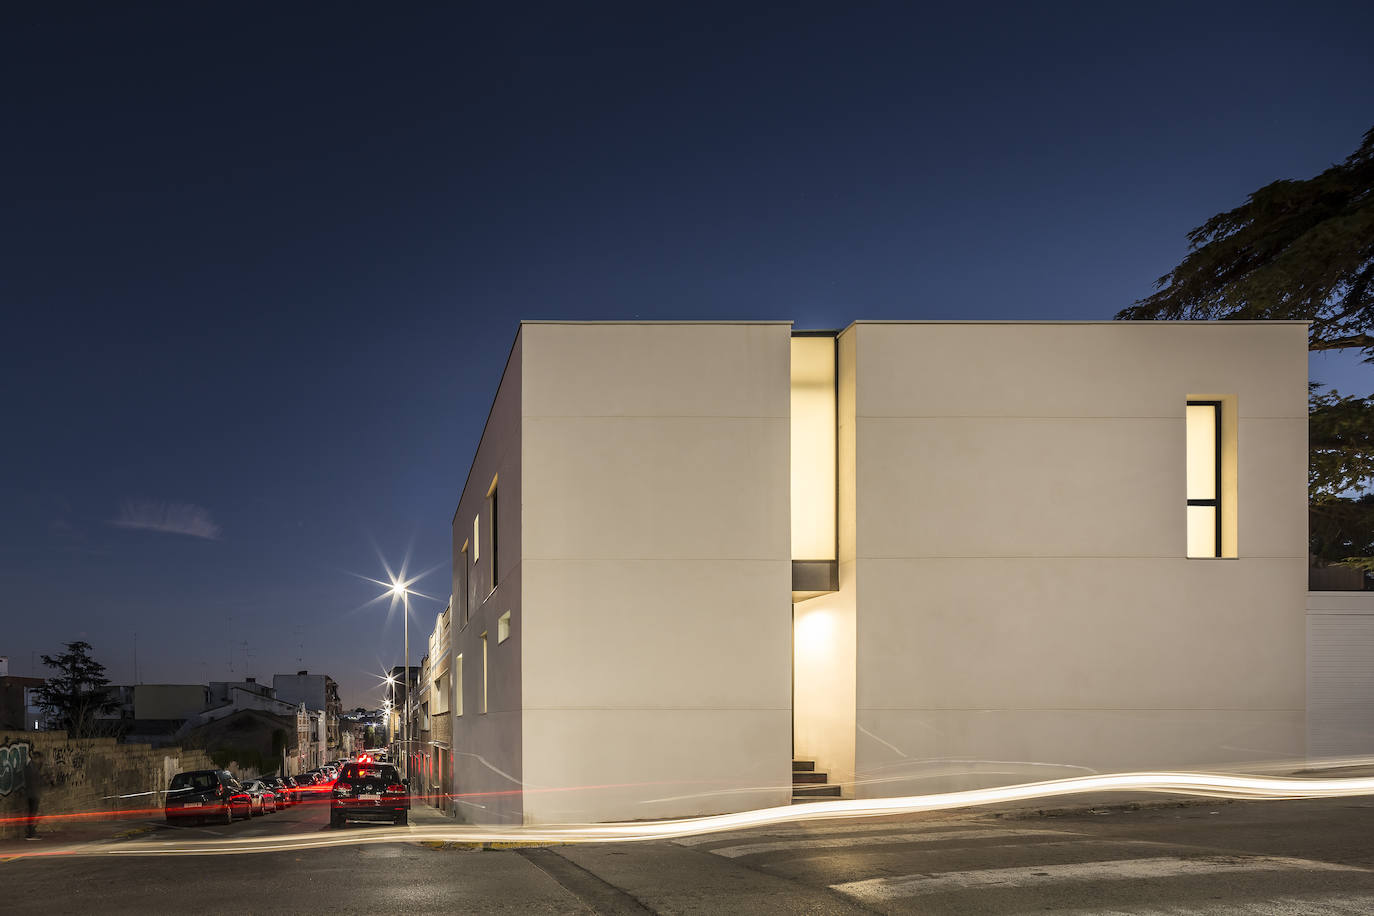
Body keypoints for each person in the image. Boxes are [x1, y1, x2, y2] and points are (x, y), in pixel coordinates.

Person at [22, 750, 47, 840]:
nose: (41, 761)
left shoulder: (32, 767)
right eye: (40, 759)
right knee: (32, 813)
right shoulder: (31, 767)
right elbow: (34, 780)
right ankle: (31, 833)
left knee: (33, 813)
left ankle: (31, 832)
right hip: (33, 794)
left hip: (32, 793)